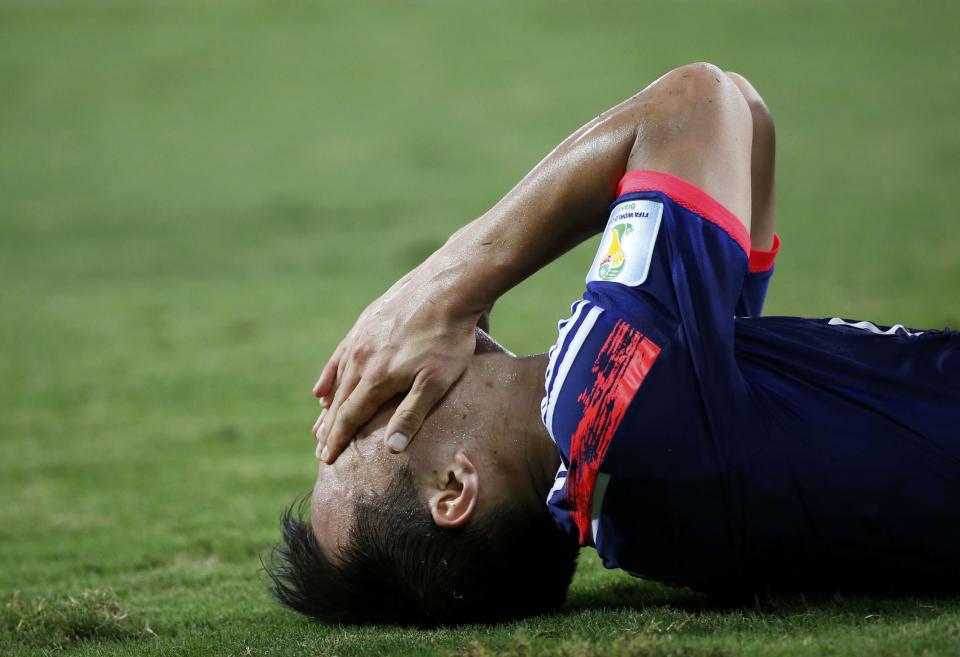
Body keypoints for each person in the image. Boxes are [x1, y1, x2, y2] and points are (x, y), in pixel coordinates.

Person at [264, 62, 960, 626]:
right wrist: (442, 285)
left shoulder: (639, 510)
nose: (367, 383)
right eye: (358, 431)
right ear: (455, 486)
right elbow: (696, 99)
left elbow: (748, 123)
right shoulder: (598, 412)